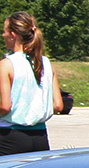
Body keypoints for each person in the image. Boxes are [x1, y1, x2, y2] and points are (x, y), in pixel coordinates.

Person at [0, 13, 63, 155]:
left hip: (10, 136)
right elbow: (58, 105)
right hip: (40, 137)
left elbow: (5, 105)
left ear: (13, 34)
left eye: (4, 31)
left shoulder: (6, 65)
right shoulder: (46, 63)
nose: (3, 35)